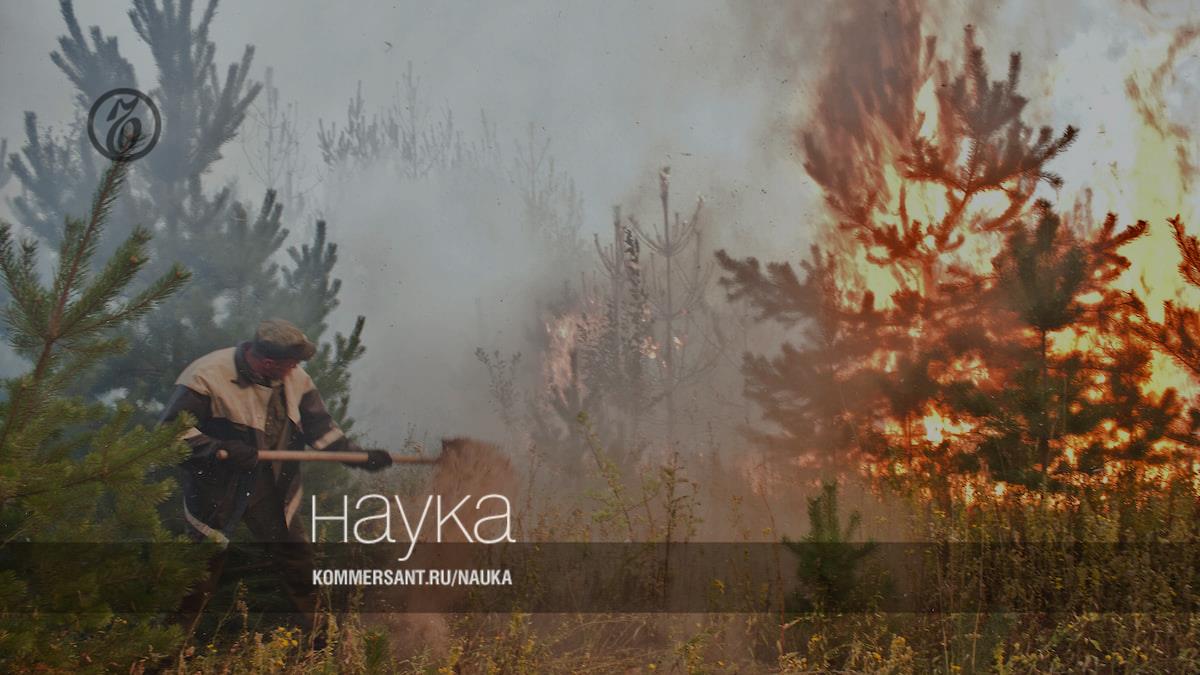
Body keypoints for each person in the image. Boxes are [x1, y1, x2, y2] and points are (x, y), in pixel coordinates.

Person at [161, 318, 391, 632]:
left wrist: (360, 457)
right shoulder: (206, 376)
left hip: (270, 486)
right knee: (200, 568)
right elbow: (169, 434)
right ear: (268, 362)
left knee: (296, 560)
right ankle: (166, 647)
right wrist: (218, 449)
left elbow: (321, 430)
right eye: (291, 363)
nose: (296, 368)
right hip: (216, 487)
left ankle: (320, 640)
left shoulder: (297, 380)